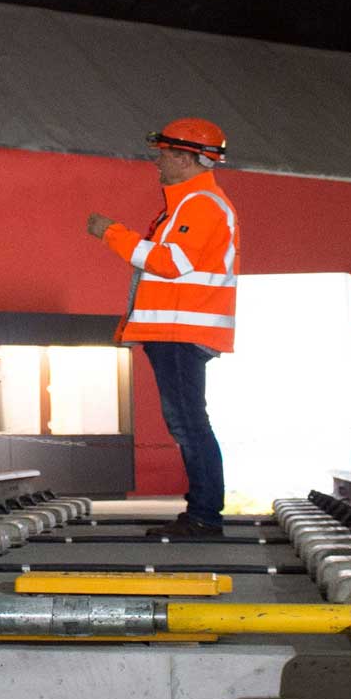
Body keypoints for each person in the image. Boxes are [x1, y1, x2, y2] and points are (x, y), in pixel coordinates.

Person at [87, 117, 240, 537]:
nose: (158, 161)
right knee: (189, 423)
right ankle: (203, 512)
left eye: (166, 154)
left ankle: (205, 516)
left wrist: (111, 233)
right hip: (176, 333)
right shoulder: (189, 203)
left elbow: (170, 263)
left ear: (190, 158)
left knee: (189, 424)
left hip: (180, 333)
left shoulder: (202, 205)